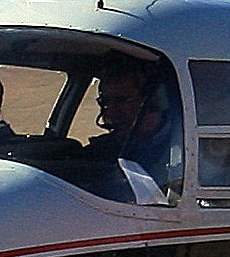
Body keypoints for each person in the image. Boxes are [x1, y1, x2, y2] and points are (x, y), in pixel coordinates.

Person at [78, 66, 182, 200]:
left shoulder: (186, 152)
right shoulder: (101, 150)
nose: (111, 112)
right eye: (106, 102)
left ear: (155, 101)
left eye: (122, 101)